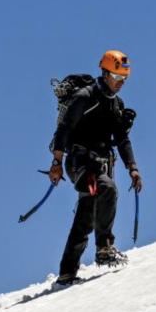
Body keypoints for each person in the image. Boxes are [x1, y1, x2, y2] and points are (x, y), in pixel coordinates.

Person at [48, 50, 143, 284]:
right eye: (117, 77)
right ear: (105, 72)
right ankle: (105, 247)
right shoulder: (84, 96)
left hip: (100, 163)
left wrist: (132, 167)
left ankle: (66, 273)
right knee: (108, 189)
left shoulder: (116, 104)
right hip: (79, 162)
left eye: (124, 79)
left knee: (85, 216)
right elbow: (64, 130)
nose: (121, 83)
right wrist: (57, 163)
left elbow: (122, 139)